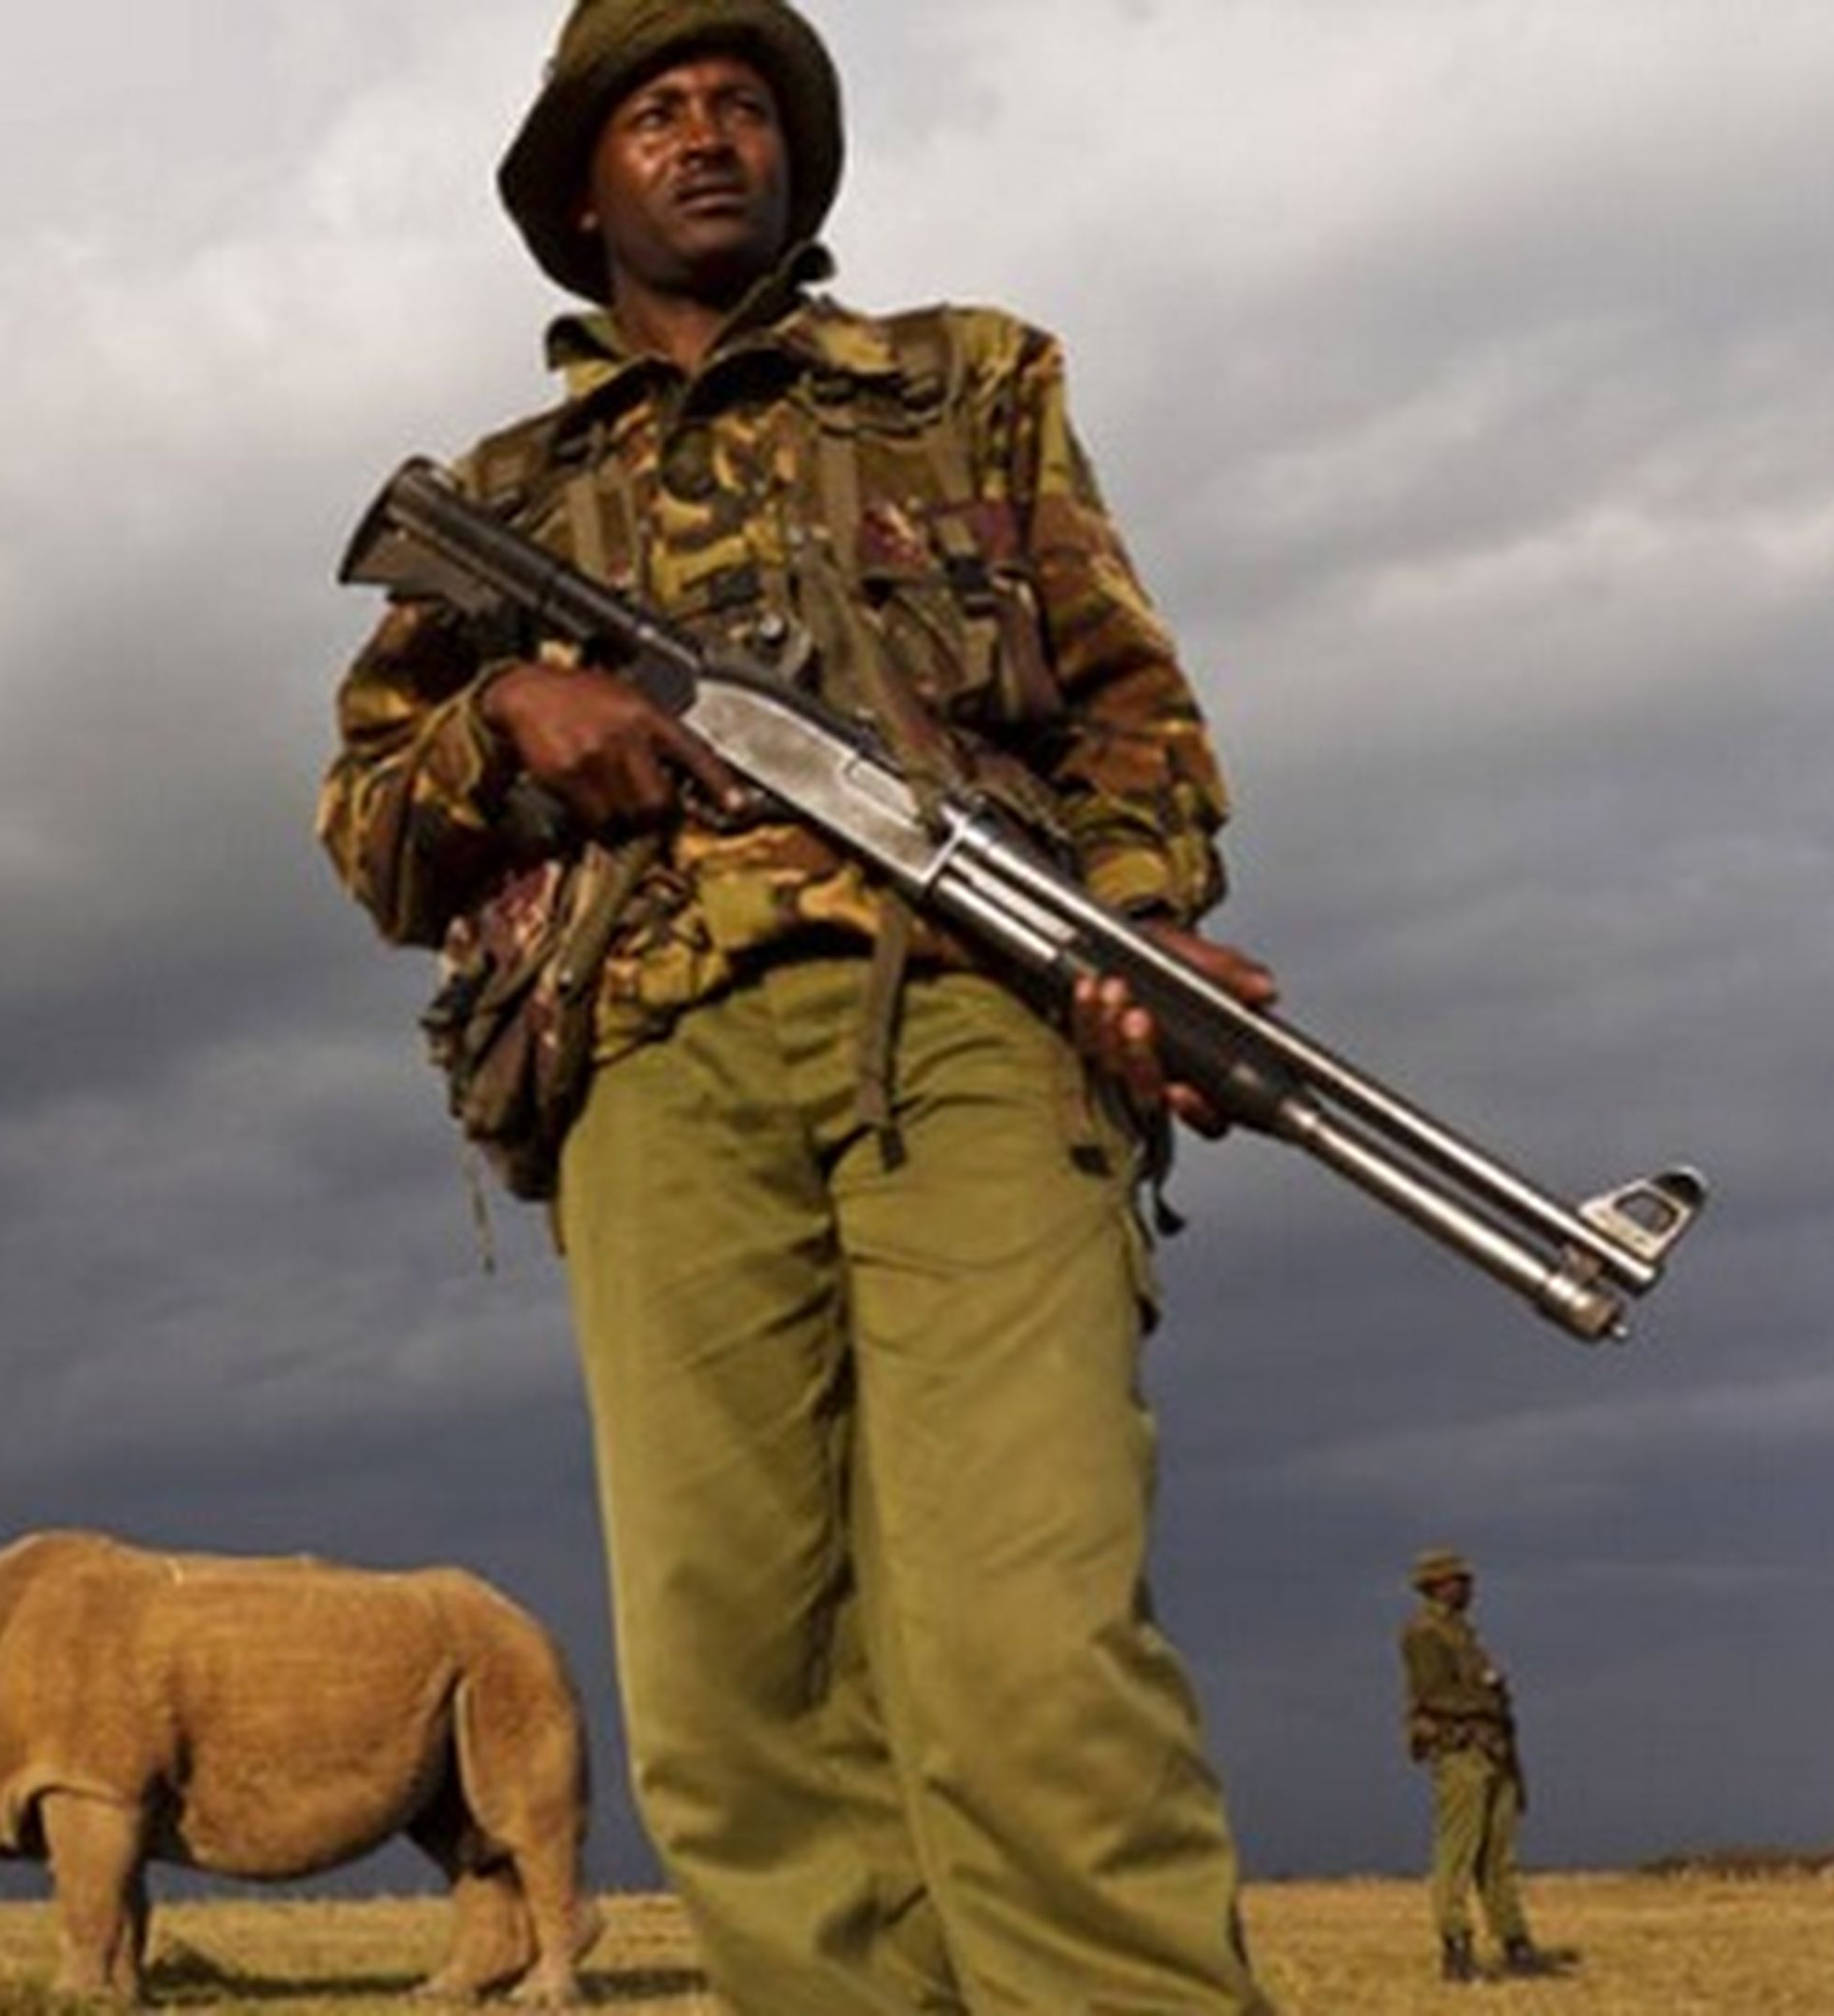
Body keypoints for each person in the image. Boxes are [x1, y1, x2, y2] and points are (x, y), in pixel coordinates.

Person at [316, 3, 1279, 2007]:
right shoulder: (501, 494)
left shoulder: (966, 384)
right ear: (584, 186)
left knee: (1030, 1653)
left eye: (742, 105)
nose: (705, 137)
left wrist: (1135, 928)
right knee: (733, 1695)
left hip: (978, 1031)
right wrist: (511, 717)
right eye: (654, 112)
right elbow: (371, 833)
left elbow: (1129, 716)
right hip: (648, 1066)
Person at [1400, 1548, 1558, 1982]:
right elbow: (1432, 1694)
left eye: (1466, 1580)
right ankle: (1456, 1945)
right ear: (1437, 1585)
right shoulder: (1424, 1633)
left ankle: (1516, 1943)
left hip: (1492, 1750)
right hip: (1461, 1753)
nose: (1468, 1588)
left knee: (1498, 1856)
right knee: (1458, 1853)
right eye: (1459, 1580)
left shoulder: (1462, 1633)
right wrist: (1488, 1696)